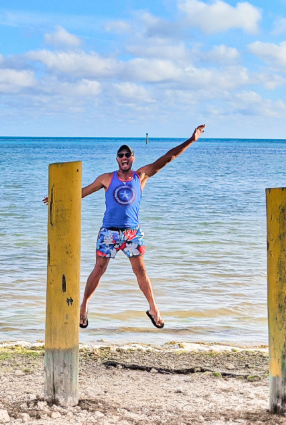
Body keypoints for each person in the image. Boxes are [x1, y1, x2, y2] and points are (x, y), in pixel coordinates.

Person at [46, 125, 205, 330]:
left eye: (127, 154)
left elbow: (168, 157)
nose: (124, 157)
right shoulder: (106, 178)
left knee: (140, 270)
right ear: (117, 159)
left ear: (132, 158)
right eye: (120, 155)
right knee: (99, 269)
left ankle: (153, 308)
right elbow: (81, 193)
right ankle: (84, 306)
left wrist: (191, 140)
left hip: (132, 233)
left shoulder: (142, 176)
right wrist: (56, 199)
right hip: (109, 232)